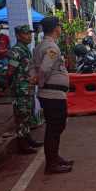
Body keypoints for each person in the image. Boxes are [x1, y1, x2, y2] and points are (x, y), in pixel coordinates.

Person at [33, 16, 73, 175]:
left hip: (51, 94)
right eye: (60, 26)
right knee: (55, 128)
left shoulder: (40, 46)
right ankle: (51, 164)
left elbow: (32, 67)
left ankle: (54, 158)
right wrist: (40, 82)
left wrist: (36, 80)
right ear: (56, 28)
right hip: (52, 94)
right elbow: (44, 69)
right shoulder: (51, 48)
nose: (61, 29)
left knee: (55, 127)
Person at [7, 25, 43, 154]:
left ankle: (28, 139)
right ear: (18, 36)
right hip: (20, 90)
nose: (29, 36)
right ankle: (23, 145)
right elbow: (10, 71)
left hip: (28, 88)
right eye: (26, 34)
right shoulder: (16, 51)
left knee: (27, 115)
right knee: (21, 117)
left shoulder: (25, 49)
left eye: (30, 33)